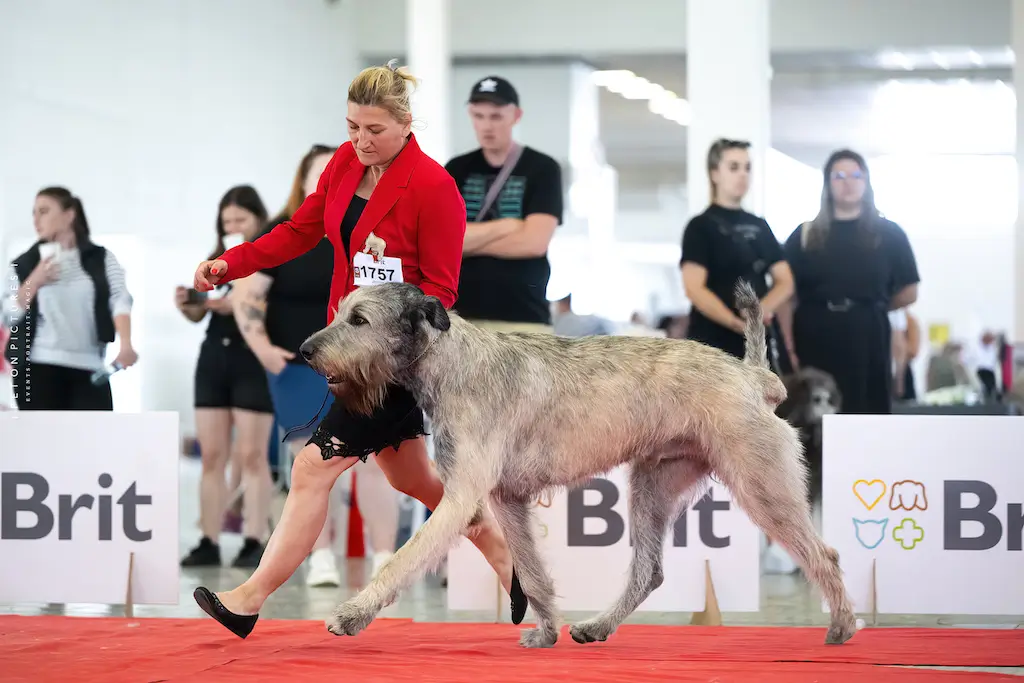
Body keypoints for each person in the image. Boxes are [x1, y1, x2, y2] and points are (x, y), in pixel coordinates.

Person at [189, 61, 526, 638]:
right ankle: (506, 556)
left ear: (405, 123)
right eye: (352, 128)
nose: (361, 141)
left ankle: (249, 599)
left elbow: (443, 292)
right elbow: (299, 231)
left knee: (311, 466)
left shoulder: (434, 187)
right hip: (349, 349)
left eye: (374, 130)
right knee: (412, 479)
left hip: (394, 358)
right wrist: (231, 263)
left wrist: (387, 301)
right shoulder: (346, 165)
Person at [231, 144, 401, 587]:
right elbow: (246, 296)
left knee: (374, 464)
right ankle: (321, 558)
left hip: (362, 370)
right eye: (321, 172)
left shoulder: (369, 230)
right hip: (298, 367)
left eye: (341, 170)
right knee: (311, 465)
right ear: (305, 182)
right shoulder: (285, 231)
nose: (332, 177)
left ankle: (386, 557)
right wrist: (263, 348)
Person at [176, 186, 276, 569]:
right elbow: (200, 311)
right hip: (215, 356)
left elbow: (266, 305)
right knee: (212, 455)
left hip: (253, 358)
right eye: (227, 221)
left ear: (258, 220)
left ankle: (255, 537)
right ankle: (209, 538)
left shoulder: (270, 257)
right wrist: (191, 305)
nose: (233, 227)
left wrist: (236, 302)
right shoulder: (214, 259)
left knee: (252, 455)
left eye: (240, 220)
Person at [780, 149, 920, 415]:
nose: (848, 183)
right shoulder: (805, 236)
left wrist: (876, 305)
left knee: (867, 414)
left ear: (866, 182)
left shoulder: (889, 234)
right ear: (827, 184)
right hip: (815, 334)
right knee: (815, 416)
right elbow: (787, 297)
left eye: (856, 175)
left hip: (868, 335)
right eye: (839, 176)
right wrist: (789, 347)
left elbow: (910, 291)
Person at [445, 75, 564, 333]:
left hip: (525, 318)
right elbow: (443, 242)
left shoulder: (542, 168)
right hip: (462, 319)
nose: (487, 126)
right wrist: (508, 226)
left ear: (516, 116)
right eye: (479, 116)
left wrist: (467, 240)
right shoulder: (456, 169)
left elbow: (534, 243)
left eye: (496, 116)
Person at [2, 187, 137, 410]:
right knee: (46, 442)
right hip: (38, 367)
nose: (36, 219)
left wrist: (126, 345)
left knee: (94, 439)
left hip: (90, 366)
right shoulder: (24, 263)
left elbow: (120, 300)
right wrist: (34, 281)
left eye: (44, 211)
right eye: (34, 213)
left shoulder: (102, 259)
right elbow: (9, 314)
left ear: (69, 214)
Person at [679, 139, 794, 371]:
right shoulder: (700, 227)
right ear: (714, 173)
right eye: (734, 167)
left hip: (758, 341)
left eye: (747, 167)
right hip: (714, 343)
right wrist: (735, 323)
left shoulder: (760, 226)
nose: (743, 175)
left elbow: (785, 280)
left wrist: (758, 313)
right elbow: (694, 288)